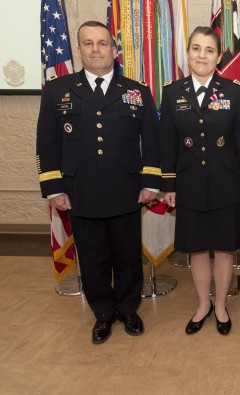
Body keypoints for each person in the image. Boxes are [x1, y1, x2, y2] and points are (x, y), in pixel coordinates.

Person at [36, 20, 161, 344]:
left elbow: (153, 141)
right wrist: (54, 188)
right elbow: (47, 144)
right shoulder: (57, 90)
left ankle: (128, 309)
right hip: (80, 191)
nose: (95, 49)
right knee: (92, 258)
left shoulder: (137, 91)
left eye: (102, 43)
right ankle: (103, 313)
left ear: (114, 50)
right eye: (88, 43)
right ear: (78, 49)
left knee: (127, 256)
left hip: (126, 189)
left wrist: (150, 181)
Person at [160, 26, 240, 336]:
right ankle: (202, 304)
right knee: (197, 249)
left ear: (218, 57)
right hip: (189, 184)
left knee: (225, 249)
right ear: (187, 54)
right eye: (196, 49)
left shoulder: (233, 90)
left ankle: (221, 305)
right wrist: (169, 184)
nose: (202, 55)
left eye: (209, 50)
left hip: (226, 183)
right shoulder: (172, 92)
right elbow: (168, 143)